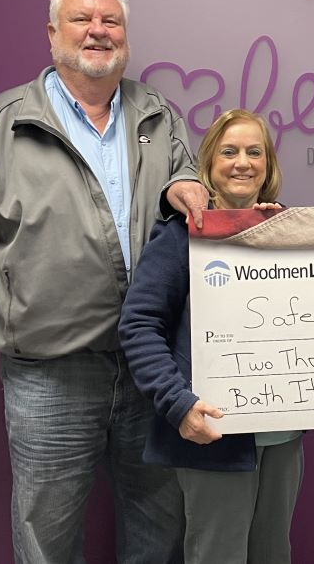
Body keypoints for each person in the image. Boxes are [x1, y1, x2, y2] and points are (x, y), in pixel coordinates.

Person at [0, 0, 210, 562]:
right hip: (49, 376)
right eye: (82, 19)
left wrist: (189, 182)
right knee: (48, 539)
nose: (97, 31)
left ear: (126, 36)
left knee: (158, 530)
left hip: (151, 368)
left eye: (111, 21)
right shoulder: (4, 123)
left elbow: (188, 174)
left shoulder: (158, 115)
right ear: (52, 34)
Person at [119, 109, 304, 564]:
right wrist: (178, 405)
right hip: (212, 435)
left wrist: (278, 239)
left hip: (282, 438)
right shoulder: (180, 237)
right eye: (229, 151)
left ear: (269, 165)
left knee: (273, 554)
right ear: (209, 165)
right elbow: (139, 327)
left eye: (254, 152)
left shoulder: (293, 232)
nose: (242, 162)